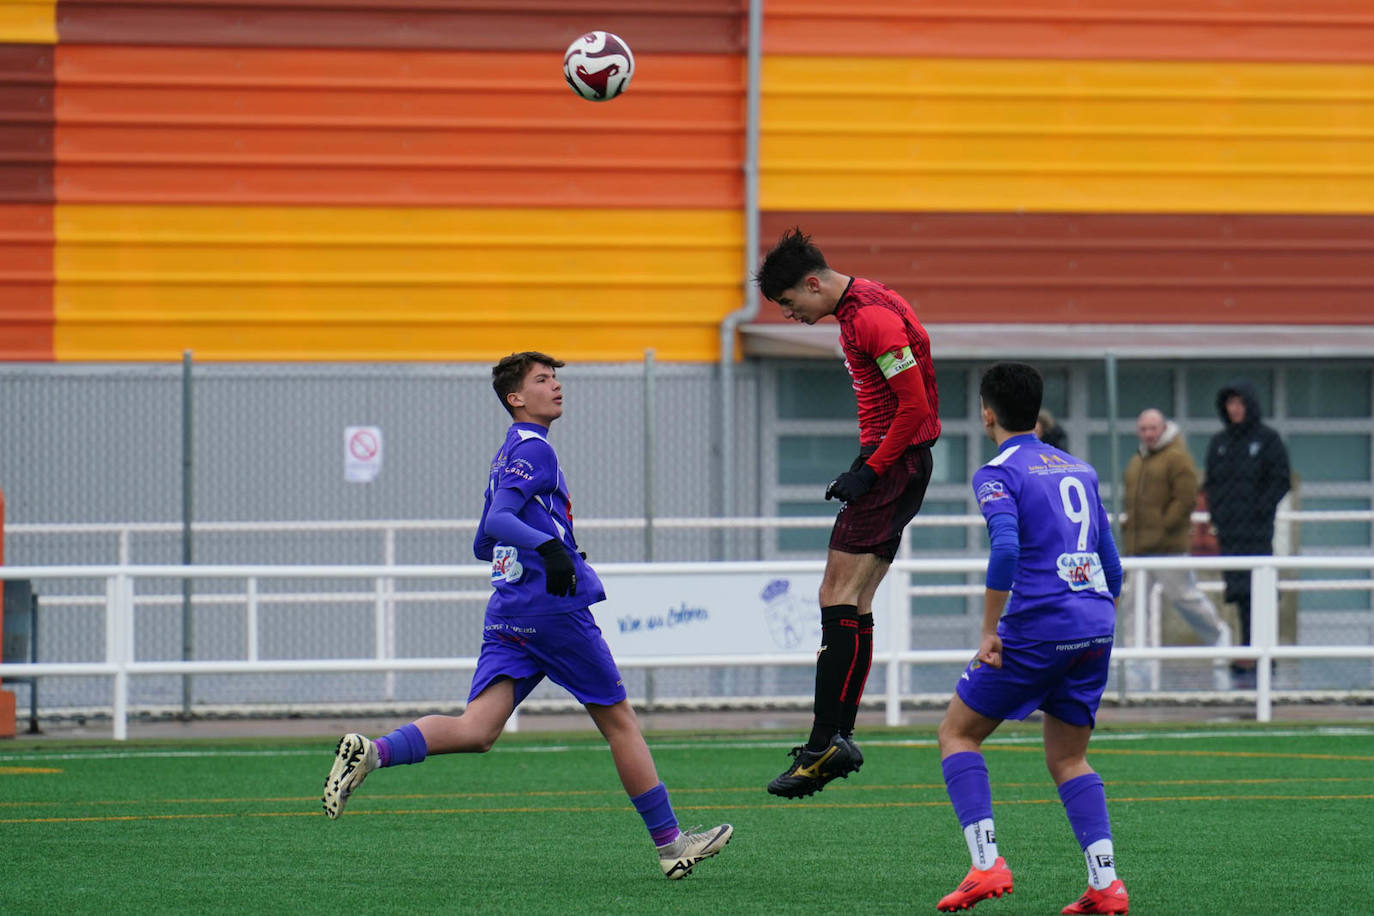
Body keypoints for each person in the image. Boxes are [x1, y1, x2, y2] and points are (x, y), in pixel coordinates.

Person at [321, 351, 733, 880]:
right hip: (553, 609)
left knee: (478, 729)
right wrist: (553, 549)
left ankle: (372, 752)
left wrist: (530, 542)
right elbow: (498, 520)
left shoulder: (505, 454)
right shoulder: (534, 449)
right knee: (620, 724)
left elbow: (482, 540)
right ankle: (671, 844)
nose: (556, 387)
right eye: (543, 380)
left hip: (509, 609)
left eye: (556, 378)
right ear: (516, 398)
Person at [935, 362, 1129, 914]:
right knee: (1070, 759)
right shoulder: (1081, 470)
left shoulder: (997, 472)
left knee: (957, 734)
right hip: (1093, 627)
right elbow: (1110, 565)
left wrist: (989, 630)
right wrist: (1096, 621)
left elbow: (1007, 550)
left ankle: (985, 864)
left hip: (1039, 627)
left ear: (987, 412)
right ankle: (1106, 884)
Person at [754, 227, 940, 798]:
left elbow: (914, 406)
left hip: (893, 463)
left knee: (835, 596)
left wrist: (870, 469)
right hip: (898, 461)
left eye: (790, 304)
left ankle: (823, 744)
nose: (791, 315)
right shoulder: (871, 301)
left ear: (814, 283)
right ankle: (835, 738)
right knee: (853, 600)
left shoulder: (869, 317)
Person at [1121, 408, 1231, 689]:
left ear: (1162, 428)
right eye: (1143, 429)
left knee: (1185, 597)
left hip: (1167, 547)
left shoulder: (1177, 458)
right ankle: (1135, 656)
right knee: (1134, 604)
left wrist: (1162, 527)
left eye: (1152, 429)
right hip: (1139, 549)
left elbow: (1185, 500)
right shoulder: (1137, 461)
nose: (1148, 434)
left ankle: (1219, 635)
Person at [1203, 381, 1291, 685]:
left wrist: (1260, 511)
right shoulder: (1220, 443)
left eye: (1240, 403)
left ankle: (1263, 651)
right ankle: (1247, 649)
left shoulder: (1268, 440)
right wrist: (1219, 516)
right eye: (1230, 403)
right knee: (1239, 593)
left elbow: (1281, 480)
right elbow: (1211, 483)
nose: (1235, 409)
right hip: (1230, 534)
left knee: (1261, 592)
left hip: (1257, 533)